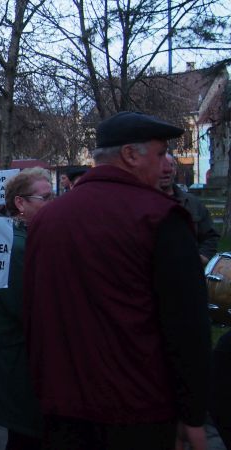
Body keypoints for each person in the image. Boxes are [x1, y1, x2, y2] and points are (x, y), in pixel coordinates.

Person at [24, 111, 211, 450]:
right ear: (129, 155)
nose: (167, 164)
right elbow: (187, 324)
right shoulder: (160, 216)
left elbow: (35, 313)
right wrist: (193, 412)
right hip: (139, 411)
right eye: (161, 153)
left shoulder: (47, 218)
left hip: (62, 409)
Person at [0, 168, 53, 450]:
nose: (53, 203)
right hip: (19, 353)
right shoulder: (15, 244)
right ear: (20, 203)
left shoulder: (26, 237)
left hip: (23, 350)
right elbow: (28, 307)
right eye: (45, 198)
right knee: (28, 434)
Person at [159, 154, 219, 265]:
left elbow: (210, 236)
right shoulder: (142, 202)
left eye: (170, 165)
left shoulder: (193, 203)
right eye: (161, 165)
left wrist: (202, 257)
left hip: (187, 270)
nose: (166, 170)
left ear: (175, 170)